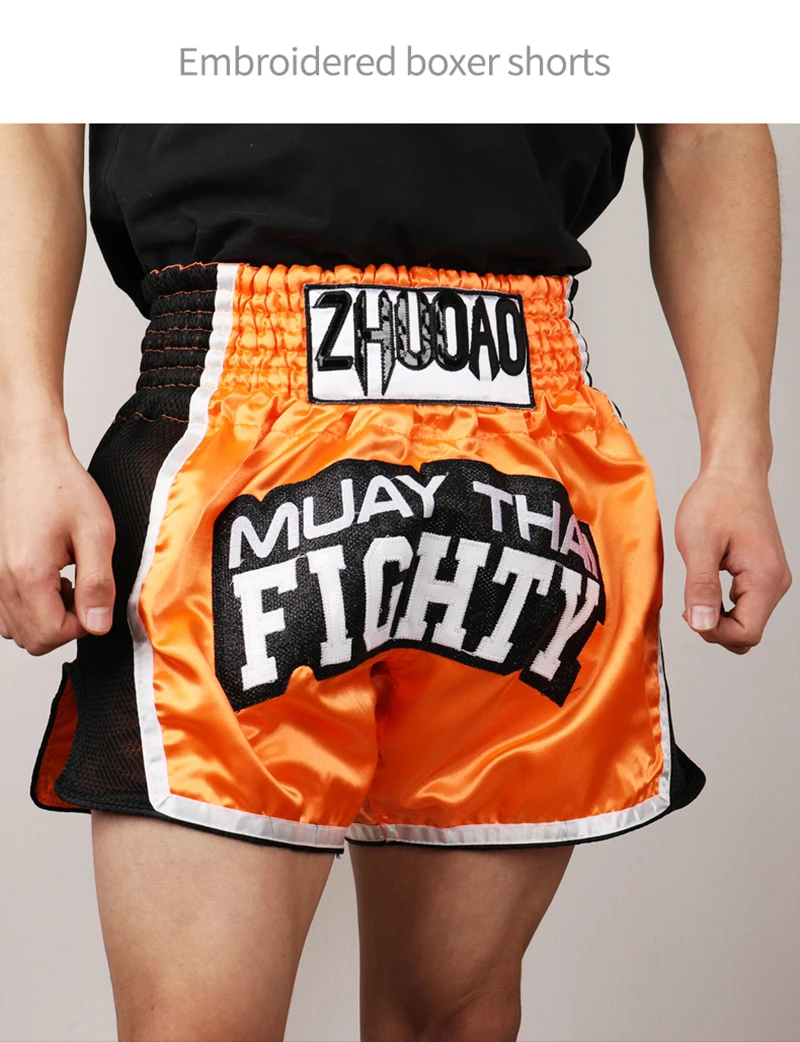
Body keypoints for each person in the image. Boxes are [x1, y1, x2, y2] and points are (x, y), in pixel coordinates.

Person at [0, 124, 790, 1042]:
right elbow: (34, 112)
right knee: (195, 1024)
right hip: (236, 393)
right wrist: (25, 437)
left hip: (525, 404)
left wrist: (738, 454)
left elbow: (707, 119)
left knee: (453, 1019)